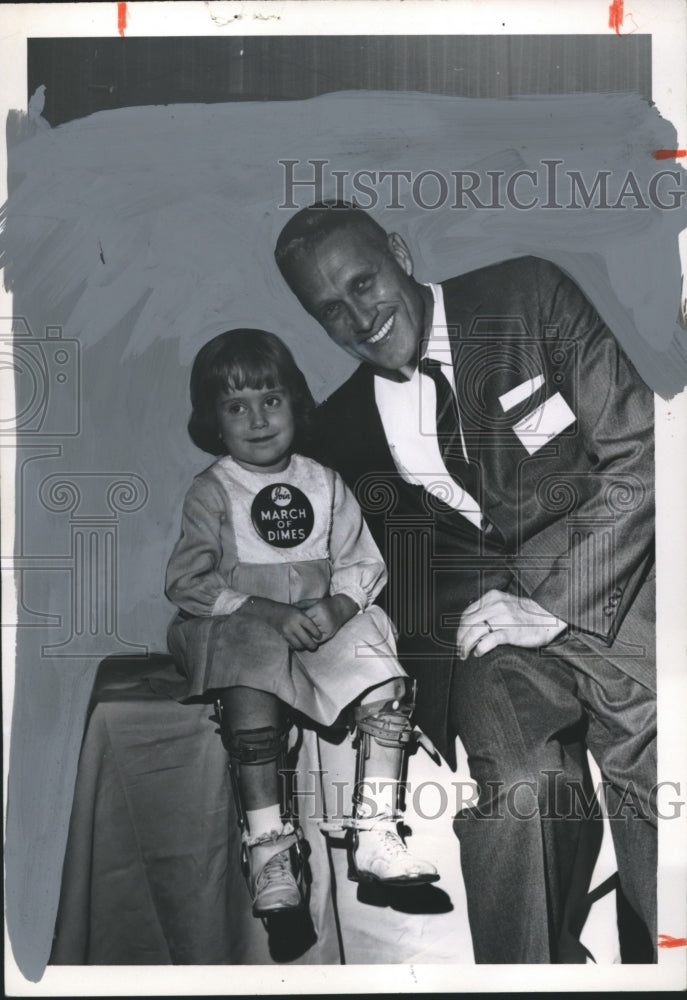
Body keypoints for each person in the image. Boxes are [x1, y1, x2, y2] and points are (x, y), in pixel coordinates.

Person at [274, 202, 656, 963]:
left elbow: (641, 457)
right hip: (483, 637)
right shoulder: (341, 426)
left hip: (604, 590)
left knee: (650, 767)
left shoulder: (528, 296)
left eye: (364, 282)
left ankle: (658, 954)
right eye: (331, 310)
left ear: (399, 252)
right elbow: (368, 564)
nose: (360, 316)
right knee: (518, 795)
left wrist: (551, 605)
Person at [165, 328, 439, 920]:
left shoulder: (325, 481)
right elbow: (188, 583)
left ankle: (374, 828)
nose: (258, 419)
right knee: (249, 684)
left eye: (271, 400)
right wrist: (264, 610)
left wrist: (339, 606)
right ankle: (268, 847)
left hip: (317, 627)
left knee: (379, 663)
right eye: (236, 406)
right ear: (214, 421)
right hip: (243, 625)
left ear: (295, 403)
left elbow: (361, 561)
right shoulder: (213, 491)